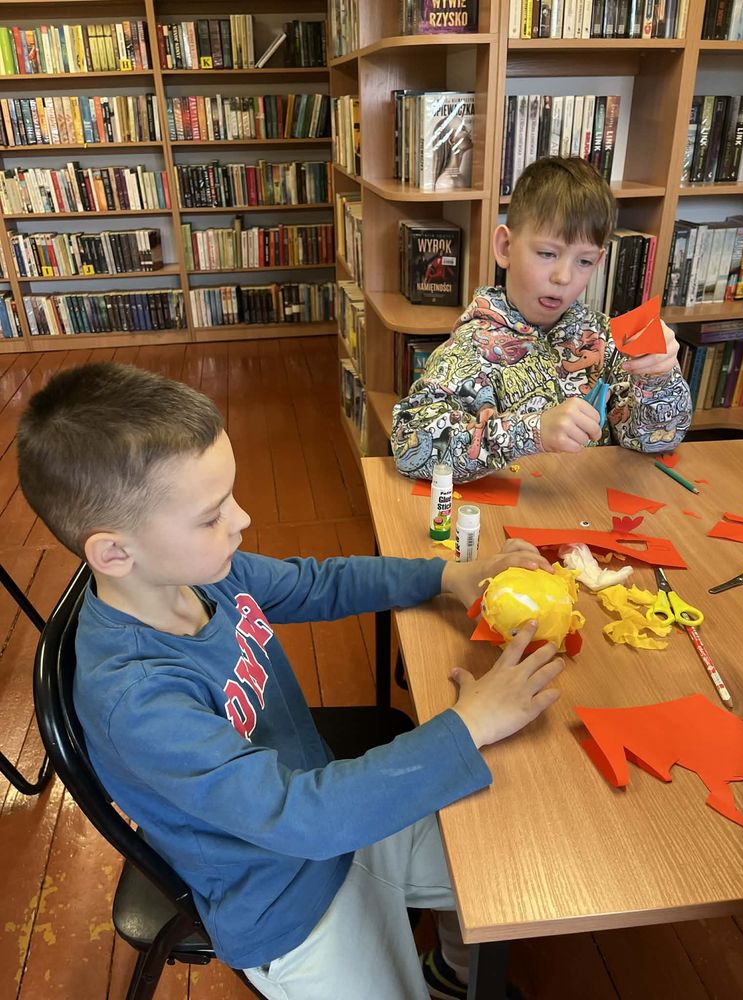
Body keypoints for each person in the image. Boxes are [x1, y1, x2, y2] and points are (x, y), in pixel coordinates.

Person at [17, 362, 564, 1000]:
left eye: (231, 497)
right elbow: (299, 818)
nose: (242, 519)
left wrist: (444, 577)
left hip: (338, 809)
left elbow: (314, 583)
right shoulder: (136, 699)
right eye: (211, 515)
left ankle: (453, 973)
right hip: (283, 902)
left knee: (502, 872)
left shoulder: (197, 574)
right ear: (114, 553)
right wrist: (468, 725)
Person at [391, 156, 692, 482]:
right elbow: (409, 444)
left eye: (584, 261)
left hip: (589, 503)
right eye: (548, 254)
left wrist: (659, 379)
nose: (563, 277)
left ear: (599, 262)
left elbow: (654, 440)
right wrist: (531, 432)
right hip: (515, 510)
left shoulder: (606, 338)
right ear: (505, 247)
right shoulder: (469, 350)